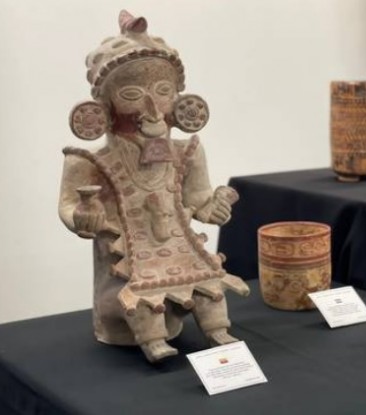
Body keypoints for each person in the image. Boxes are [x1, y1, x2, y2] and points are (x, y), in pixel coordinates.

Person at [58, 10, 248, 362]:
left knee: (209, 289)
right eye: (132, 93)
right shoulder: (88, 161)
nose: (152, 106)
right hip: (124, 262)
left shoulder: (187, 151)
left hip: (179, 252)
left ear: (179, 98)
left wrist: (213, 206)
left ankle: (217, 331)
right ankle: (152, 340)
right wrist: (82, 216)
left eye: (163, 91)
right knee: (136, 300)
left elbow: (198, 199)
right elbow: (69, 205)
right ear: (103, 106)